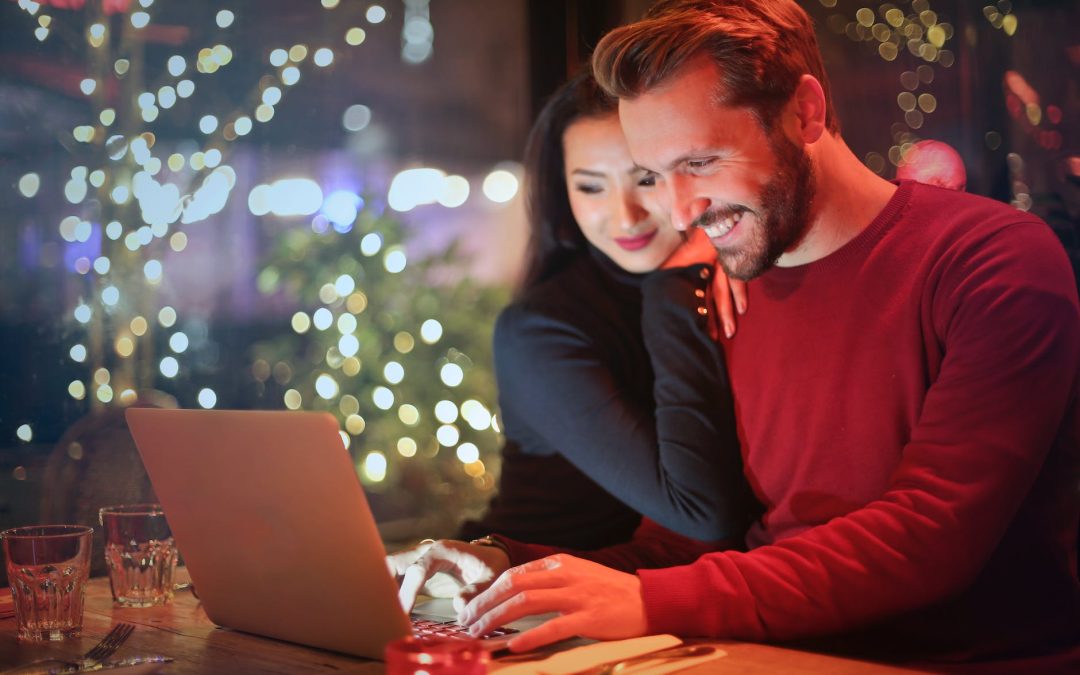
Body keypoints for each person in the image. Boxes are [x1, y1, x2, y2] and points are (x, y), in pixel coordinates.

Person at [400, 0, 1080, 666]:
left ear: (805, 113)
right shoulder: (727, 286)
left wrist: (650, 600)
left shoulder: (992, 261)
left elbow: (930, 534)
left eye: (698, 163)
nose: (678, 210)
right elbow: (689, 548)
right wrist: (508, 571)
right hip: (759, 650)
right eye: (656, 173)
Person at [389, 71, 759, 605]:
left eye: (645, 179)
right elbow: (703, 513)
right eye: (590, 186)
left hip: (632, 599)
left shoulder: (728, 282)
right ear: (563, 194)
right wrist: (677, 282)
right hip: (508, 594)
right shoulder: (541, 330)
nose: (624, 214)